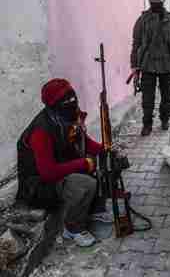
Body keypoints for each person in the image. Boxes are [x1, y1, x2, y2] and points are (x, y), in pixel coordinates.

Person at [16, 79, 111, 247]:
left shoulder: (66, 117)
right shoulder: (41, 130)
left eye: (72, 96)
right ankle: (73, 229)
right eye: (66, 99)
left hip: (58, 167)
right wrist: (83, 164)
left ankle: (94, 210)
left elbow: (84, 141)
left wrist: (106, 149)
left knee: (104, 164)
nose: (72, 101)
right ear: (54, 104)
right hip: (37, 185)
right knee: (84, 183)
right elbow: (48, 172)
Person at [130, 0, 170, 136]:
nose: (157, 4)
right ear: (150, 2)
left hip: (167, 64)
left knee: (166, 96)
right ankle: (147, 124)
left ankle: (164, 120)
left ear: (163, 2)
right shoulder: (143, 20)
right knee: (147, 98)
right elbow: (136, 44)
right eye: (154, 2)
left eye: (159, 2)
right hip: (148, 64)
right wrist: (134, 65)